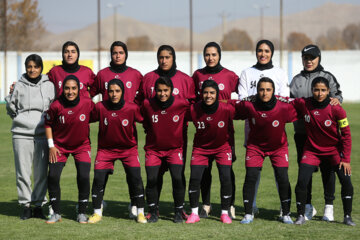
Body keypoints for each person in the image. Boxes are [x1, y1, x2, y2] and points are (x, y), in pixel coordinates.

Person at [137, 45, 195, 219]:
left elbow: (193, 108)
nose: (164, 60)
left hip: (177, 139)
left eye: (167, 57)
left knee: (178, 176)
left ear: (173, 58)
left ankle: (180, 208)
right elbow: (142, 108)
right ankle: (153, 209)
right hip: (154, 139)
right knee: (155, 177)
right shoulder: (148, 78)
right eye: (161, 57)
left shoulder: (185, 79)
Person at [90, 41, 143, 218]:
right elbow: (87, 95)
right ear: (111, 55)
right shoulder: (102, 75)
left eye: (121, 52)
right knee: (100, 175)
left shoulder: (135, 75)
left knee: (132, 175)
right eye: (114, 53)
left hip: (127, 135)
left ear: (126, 54)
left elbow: (145, 98)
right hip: (107, 134)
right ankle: (100, 203)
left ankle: (135, 204)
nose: (118, 55)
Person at [290, 44, 343, 221]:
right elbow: (291, 104)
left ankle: (329, 207)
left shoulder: (327, 77)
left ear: (319, 58)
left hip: (326, 135)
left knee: (328, 171)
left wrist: (336, 100)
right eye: (305, 58)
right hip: (303, 134)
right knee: (305, 172)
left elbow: (338, 97)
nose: (309, 61)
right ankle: (307, 206)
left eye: (312, 57)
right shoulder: (296, 80)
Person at [292, 77, 354, 226]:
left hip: (334, 151)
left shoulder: (337, 109)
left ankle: (347, 217)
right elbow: (285, 100)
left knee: (346, 181)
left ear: (328, 91)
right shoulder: (304, 103)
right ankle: (300, 215)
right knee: (302, 181)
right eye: (316, 90)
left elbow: (346, 135)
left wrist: (345, 159)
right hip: (312, 151)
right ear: (312, 90)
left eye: (323, 90)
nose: (319, 93)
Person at [233, 77, 296, 224]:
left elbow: (302, 105)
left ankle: (285, 213)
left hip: (278, 148)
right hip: (255, 147)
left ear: (274, 91)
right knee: (251, 177)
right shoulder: (249, 106)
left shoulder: (283, 107)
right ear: (257, 91)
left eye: (268, 90)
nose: (264, 93)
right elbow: (231, 105)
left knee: (283, 178)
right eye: (261, 89)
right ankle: (248, 213)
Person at [238, 39, 290, 216]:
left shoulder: (280, 73)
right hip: (253, 126)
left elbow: (285, 98)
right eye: (260, 50)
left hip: (275, 127)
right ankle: (251, 205)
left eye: (267, 51)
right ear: (256, 52)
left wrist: (261, 98)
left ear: (272, 53)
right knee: (254, 171)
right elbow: (243, 98)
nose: (263, 54)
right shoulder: (247, 72)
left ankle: (285, 207)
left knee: (280, 173)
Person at [5, 54, 55, 220]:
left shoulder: (49, 85)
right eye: (29, 66)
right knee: (23, 172)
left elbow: (52, 107)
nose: (32, 70)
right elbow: (11, 108)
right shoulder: (18, 85)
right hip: (21, 134)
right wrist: (22, 120)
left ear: (41, 68)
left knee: (41, 173)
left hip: (42, 134)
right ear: (26, 68)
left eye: (36, 66)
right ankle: (25, 205)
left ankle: (39, 205)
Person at [192, 42, 239, 219]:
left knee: (227, 170)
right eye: (207, 55)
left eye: (214, 54)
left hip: (224, 130)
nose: (210, 58)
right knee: (204, 170)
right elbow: (193, 100)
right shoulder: (198, 75)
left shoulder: (229, 75)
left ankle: (231, 205)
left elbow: (242, 95)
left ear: (219, 55)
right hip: (204, 130)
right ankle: (206, 205)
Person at [45, 75, 94, 224]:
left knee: (84, 177)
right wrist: (51, 146)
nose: (70, 91)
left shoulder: (87, 103)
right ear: (62, 89)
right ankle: (56, 213)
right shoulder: (56, 106)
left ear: (79, 89)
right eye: (67, 88)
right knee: (53, 176)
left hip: (82, 146)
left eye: (73, 88)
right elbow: (48, 124)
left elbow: (97, 116)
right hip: (59, 147)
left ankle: (82, 213)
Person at [140, 76, 189, 223]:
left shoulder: (182, 104)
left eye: (166, 90)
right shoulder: (147, 104)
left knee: (177, 178)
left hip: (174, 150)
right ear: (155, 91)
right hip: (153, 150)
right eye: (159, 91)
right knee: (152, 179)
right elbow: (145, 122)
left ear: (171, 91)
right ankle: (153, 211)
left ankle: (178, 211)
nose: (162, 94)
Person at [186, 80, 234, 224]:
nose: (208, 96)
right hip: (200, 149)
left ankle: (225, 213)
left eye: (212, 93)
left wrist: (233, 148)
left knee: (226, 177)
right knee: (195, 178)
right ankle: (194, 213)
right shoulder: (193, 109)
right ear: (201, 94)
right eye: (205, 92)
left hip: (222, 148)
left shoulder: (227, 109)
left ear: (217, 94)